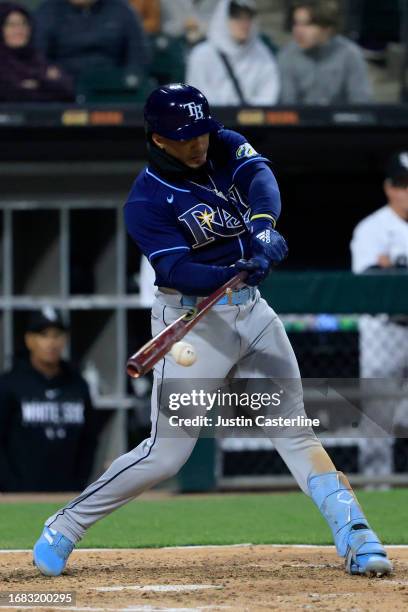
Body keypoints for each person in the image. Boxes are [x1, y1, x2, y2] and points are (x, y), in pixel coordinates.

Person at [32, 83, 391, 578]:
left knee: (293, 426)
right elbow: (177, 271)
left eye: (202, 129)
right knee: (165, 455)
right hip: (190, 325)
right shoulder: (146, 201)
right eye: (185, 136)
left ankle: (356, 533)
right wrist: (233, 269)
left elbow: (260, 176)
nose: (199, 141)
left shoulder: (219, 142)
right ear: (158, 139)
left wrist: (263, 227)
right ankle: (66, 524)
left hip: (253, 314)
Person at [350, 152, 408, 484]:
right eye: (403, 184)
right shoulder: (373, 228)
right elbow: (367, 281)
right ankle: (376, 489)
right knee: (378, 417)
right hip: (385, 330)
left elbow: (386, 274)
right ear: (390, 188)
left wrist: (395, 269)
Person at [0, 308, 99, 492]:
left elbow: (89, 440)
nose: (51, 343)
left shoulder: (78, 385)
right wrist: (10, 487)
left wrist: (79, 483)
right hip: (18, 496)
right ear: (29, 340)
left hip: (67, 494)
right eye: (43, 335)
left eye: (57, 335)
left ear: (65, 339)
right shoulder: (9, 384)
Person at [34, 0, 150, 86]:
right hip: (62, 86)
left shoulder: (122, 10)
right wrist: (46, 72)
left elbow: (138, 54)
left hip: (110, 86)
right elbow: (36, 54)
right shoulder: (48, 11)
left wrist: (130, 78)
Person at [278, 0, 373, 105]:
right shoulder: (287, 55)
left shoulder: (350, 54)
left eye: (307, 24)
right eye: (296, 23)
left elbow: (361, 102)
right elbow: (287, 105)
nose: (299, 31)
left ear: (327, 28)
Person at [186, 0, 280, 106]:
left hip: (253, 121)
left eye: (247, 17)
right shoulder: (201, 55)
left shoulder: (262, 54)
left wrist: (244, 115)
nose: (244, 24)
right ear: (223, 18)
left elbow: (268, 94)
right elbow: (197, 96)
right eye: (237, 17)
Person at [0, 2, 74, 102]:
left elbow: (67, 90)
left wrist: (38, 83)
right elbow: (10, 94)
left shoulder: (38, 58)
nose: (19, 30)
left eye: (24, 24)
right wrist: (47, 82)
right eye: (11, 25)